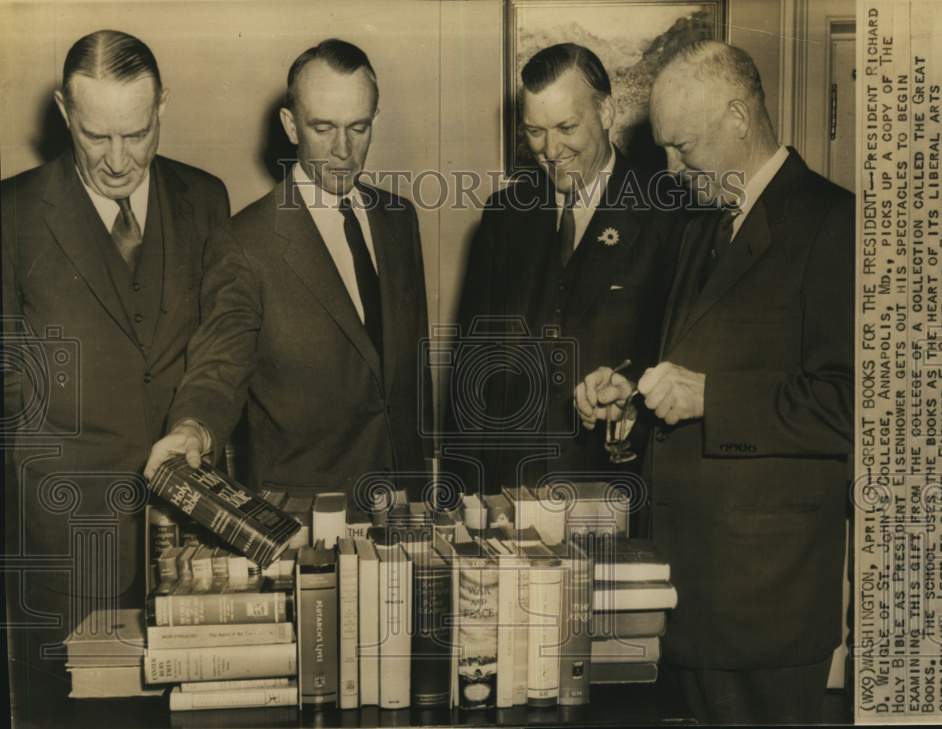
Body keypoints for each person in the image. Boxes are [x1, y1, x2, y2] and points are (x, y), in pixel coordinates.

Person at [575, 40, 854, 723]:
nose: (671, 168)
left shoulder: (836, 224)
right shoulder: (703, 223)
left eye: (682, 147)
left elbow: (848, 404)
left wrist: (710, 398)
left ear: (737, 118)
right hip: (689, 593)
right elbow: (689, 361)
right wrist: (629, 402)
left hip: (766, 605)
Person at [1, 29, 230, 697]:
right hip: (65, 541)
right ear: (64, 112)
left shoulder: (206, 200)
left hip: (188, 533)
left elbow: (223, 345)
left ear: (161, 108)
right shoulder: (11, 215)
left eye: (136, 133)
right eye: (96, 136)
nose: (117, 159)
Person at [144, 39, 431, 505]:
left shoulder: (399, 218)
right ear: (290, 125)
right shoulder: (243, 242)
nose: (343, 150)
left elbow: (406, 372)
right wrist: (194, 429)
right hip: (304, 513)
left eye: (358, 127)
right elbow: (220, 365)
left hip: (404, 500)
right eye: (323, 127)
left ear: (375, 120)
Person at [443, 43, 679, 497]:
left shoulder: (667, 214)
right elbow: (467, 373)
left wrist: (628, 402)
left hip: (612, 491)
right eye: (535, 132)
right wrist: (460, 498)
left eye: (567, 127)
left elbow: (680, 364)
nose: (551, 151)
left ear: (606, 111)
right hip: (506, 494)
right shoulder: (504, 214)